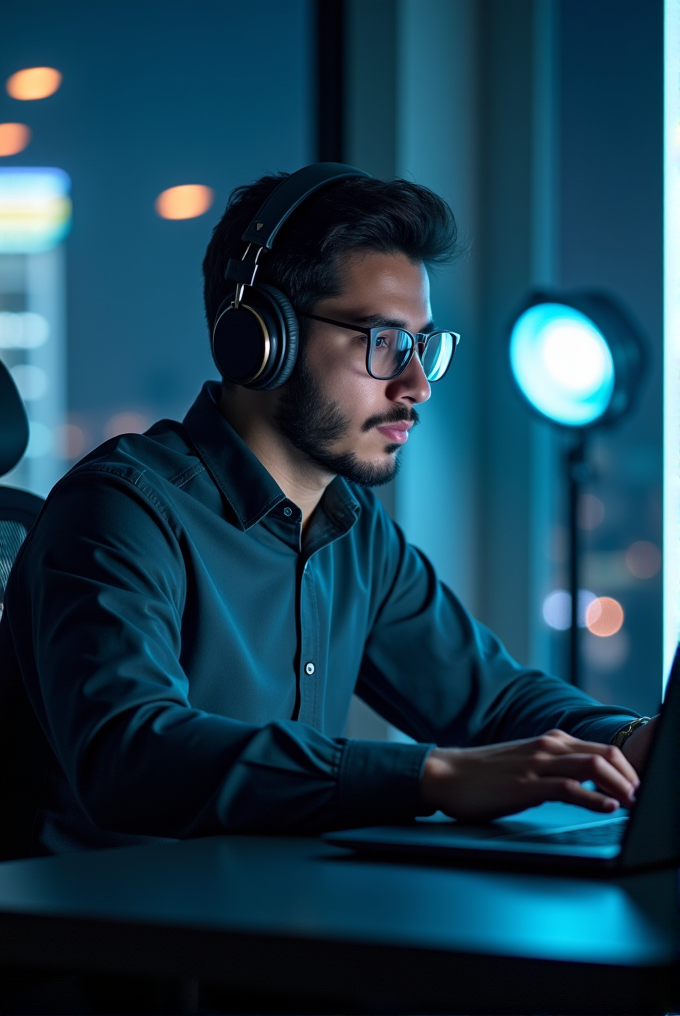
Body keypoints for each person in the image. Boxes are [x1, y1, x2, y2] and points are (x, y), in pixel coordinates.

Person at [0, 165, 657, 860]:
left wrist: (633, 740)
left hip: (263, 925)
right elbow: (132, 755)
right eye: (383, 343)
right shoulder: (120, 511)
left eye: (423, 346)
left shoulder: (352, 528)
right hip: (102, 941)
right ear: (260, 338)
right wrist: (431, 776)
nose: (416, 385)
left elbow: (491, 703)